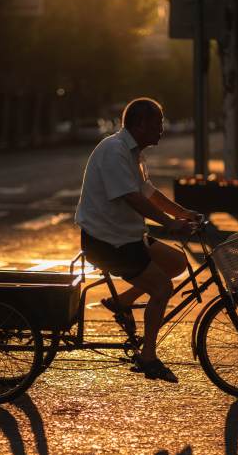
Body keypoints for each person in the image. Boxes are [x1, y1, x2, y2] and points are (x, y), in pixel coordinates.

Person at [75, 97, 201, 382]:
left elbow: (148, 192)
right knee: (161, 288)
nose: (162, 129)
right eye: (157, 123)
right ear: (140, 124)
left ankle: (122, 302)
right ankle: (148, 357)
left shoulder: (133, 153)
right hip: (107, 242)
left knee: (177, 262)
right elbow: (132, 198)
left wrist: (183, 213)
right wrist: (169, 224)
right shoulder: (114, 150)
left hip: (126, 238)